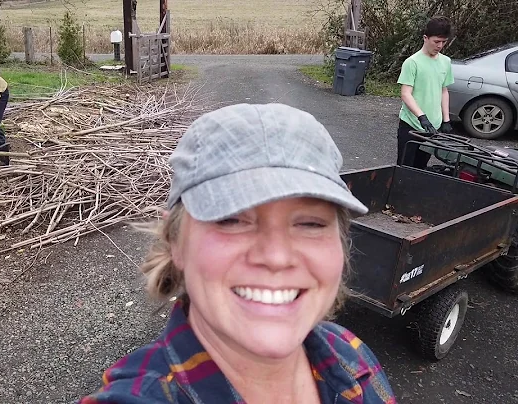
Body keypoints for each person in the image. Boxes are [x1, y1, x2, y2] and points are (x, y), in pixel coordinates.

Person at [78, 103, 396, 403]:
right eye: (231, 220)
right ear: (176, 241)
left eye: (311, 224)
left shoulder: (352, 356)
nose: (276, 257)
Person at [396, 16, 454, 168]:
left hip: (432, 127)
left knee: (421, 167)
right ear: (425, 38)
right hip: (412, 125)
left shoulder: (446, 62)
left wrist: (446, 120)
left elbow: (444, 90)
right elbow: (405, 93)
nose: (440, 46)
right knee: (404, 166)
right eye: (436, 41)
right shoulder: (412, 62)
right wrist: (421, 116)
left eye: (444, 42)